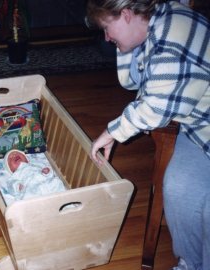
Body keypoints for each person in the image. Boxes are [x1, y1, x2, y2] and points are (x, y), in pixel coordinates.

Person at [86, 0, 210, 269]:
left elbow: (156, 108)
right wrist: (125, 43)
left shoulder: (174, 31)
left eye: (107, 28)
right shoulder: (155, 24)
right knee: (177, 188)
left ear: (128, 14)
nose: (106, 38)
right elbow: (132, 81)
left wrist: (111, 132)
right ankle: (190, 264)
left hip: (198, 126)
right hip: (198, 129)